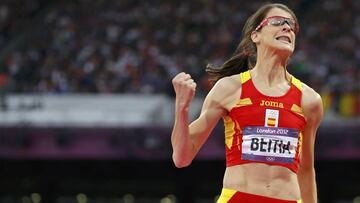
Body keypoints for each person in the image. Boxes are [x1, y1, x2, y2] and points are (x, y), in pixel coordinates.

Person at [171, 3, 323, 203]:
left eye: (291, 25)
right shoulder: (230, 88)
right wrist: (182, 109)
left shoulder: (310, 100)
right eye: (277, 22)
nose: (287, 27)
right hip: (239, 197)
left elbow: (306, 169)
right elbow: (182, 158)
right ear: (255, 35)